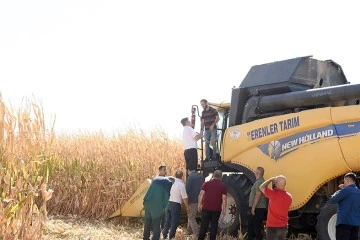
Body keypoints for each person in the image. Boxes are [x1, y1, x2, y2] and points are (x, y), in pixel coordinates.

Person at [143, 165, 172, 240]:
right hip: (155, 204)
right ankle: (155, 238)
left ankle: (146, 238)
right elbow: (166, 196)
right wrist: (164, 207)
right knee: (156, 222)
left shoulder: (155, 179)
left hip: (147, 201)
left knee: (147, 221)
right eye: (164, 170)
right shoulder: (168, 182)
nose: (166, 171)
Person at [259, 175, 292, 240]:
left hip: (272, 227)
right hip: (283, 227)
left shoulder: (273, 194)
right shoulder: (289, 196)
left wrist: (271, 179)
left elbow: (261, 187)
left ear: (276, 183)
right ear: (285, 184)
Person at [198, 170, 227, 240]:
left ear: (213, 176)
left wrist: (199, 205)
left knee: (203, 227)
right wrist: (224, 210)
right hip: (216, 210)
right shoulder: (223, 186)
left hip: (206, 208)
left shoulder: (206, 183)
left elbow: (201, 194)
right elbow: (224, 198)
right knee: (214, 228)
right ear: (221, 177)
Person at [330, 172, 360, 240]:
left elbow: (332, 200)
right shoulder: (358, 192)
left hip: (344, 224)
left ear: (348, 180)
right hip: (356, 225)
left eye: (344, 181)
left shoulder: (345, 191)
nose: (344, 183)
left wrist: (340, 190)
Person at [162, 170, 189, 240]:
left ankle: (164, 235)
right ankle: (171, 237)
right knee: (174, 221)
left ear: (175, 175)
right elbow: (184, 198)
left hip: (168, 203)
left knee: (167, 220)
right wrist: (187, 207)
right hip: (176, 205)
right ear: (182, 177)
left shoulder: (170, 182)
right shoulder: (181, 185)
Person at [248, 167, 267, 240]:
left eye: (255, 171)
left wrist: (253, 207)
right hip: (259, 208)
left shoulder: (259, 182)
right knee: (255, 226)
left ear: (258, 173)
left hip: (257, 208)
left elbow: (258, 195)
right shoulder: (262, 181)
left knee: (255, 226)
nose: (254, 173)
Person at [186, 168, 205, 239]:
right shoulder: (201, 176)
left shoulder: (190, 177)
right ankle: (189, 230)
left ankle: (196, 234)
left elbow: (187, 190)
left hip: (193, 200)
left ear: (188, 170)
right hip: (201, 200)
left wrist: (186, 200)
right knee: (191, 215)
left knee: (191, 217)